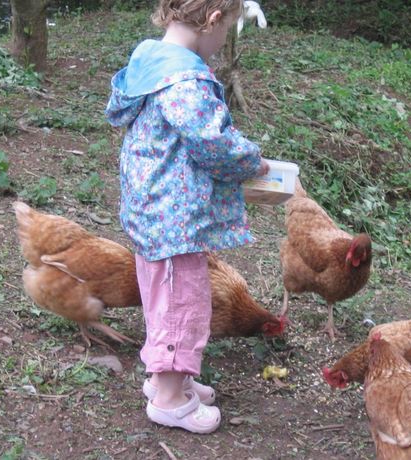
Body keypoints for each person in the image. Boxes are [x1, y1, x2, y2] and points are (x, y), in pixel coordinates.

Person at [105, 0, 268, 434]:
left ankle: (165, 377)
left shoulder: (150, 58)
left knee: (164, 300)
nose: (221, 44)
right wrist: (254, 162)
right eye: (226, 32)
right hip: (172, 220)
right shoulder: (186, 81)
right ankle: (170, 401)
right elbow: (213, 142)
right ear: (213, 21)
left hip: (150, 210)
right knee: (184, 306)